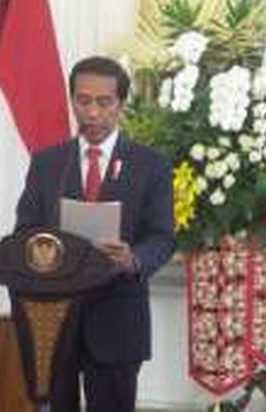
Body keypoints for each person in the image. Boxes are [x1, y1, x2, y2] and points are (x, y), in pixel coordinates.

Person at [14, 55, 175, 411]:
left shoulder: (151, 166)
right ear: (72, 100)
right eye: (83, 101)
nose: (92, 113)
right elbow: (25, 230)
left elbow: (162, 236)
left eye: (104, 103)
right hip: (54, 321)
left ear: (121, 104)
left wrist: (133, 259)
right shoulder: (48, 164)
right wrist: (47, 250)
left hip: (117, 320)